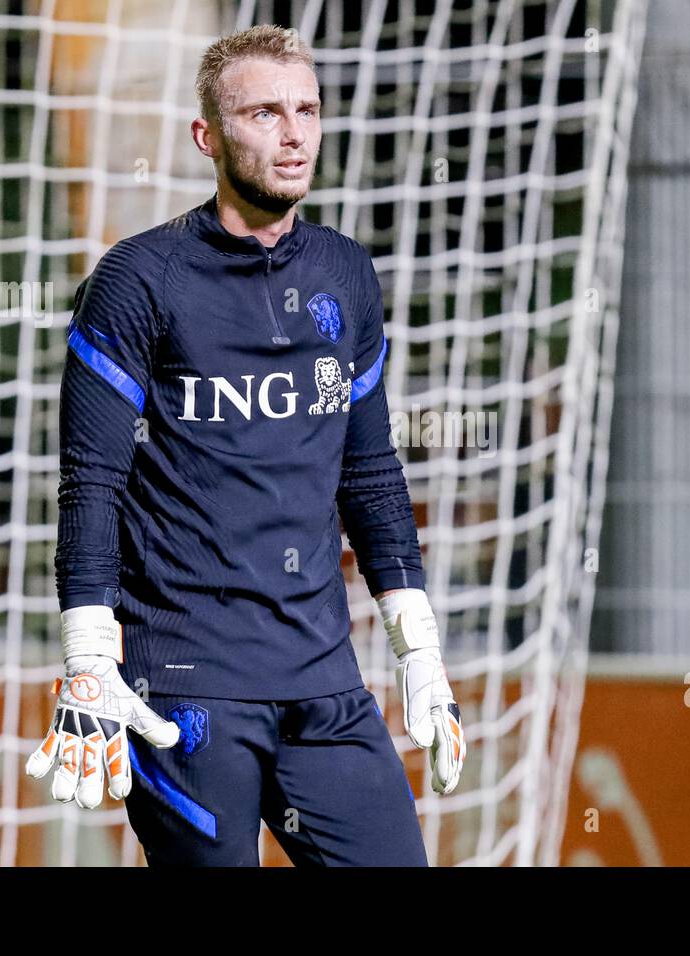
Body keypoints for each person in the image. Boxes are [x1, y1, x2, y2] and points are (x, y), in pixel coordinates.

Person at [25, 25, 465, 866]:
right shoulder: (136, 282)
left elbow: (370, 478)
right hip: (186, 695)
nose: (293, 133)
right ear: (208, 136)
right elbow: (91, 488)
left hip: (325, 688)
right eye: (264, 112)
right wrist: (88, 660)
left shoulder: (345, 275)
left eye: (307, 110)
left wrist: (421, 653)